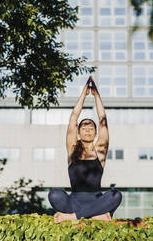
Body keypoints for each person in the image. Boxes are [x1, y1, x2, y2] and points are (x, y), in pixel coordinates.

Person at [48, 76, 122, 223]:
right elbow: (73, 119)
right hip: (73, 202)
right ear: (78, 133)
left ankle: (73, 217)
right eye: (84, 128)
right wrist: (83, 94)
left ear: (95, 134)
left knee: (116, 194)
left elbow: (103, 122)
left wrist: (96, 95)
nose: (87, 131)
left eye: (91, 129)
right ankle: (96, 217)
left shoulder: (100, 151)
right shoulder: (72, 149)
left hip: (97, 202)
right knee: (54, 194)